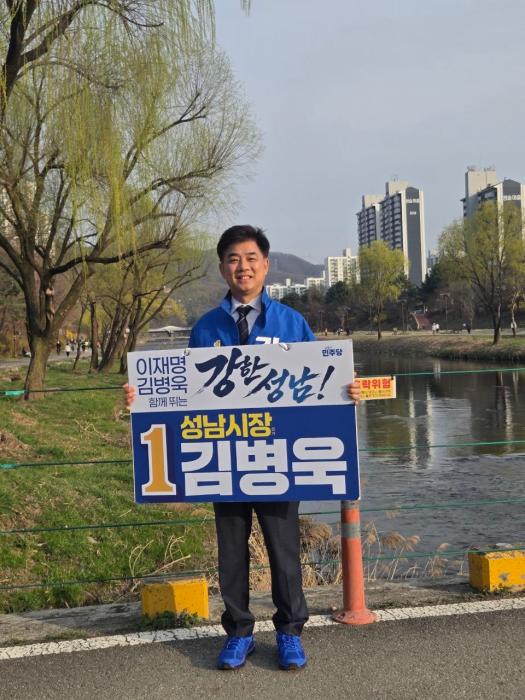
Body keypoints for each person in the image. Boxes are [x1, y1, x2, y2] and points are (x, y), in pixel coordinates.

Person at [124, 225, 360, 671]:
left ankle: (289, 631)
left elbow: (320, 384)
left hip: (279, 458)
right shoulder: (206, 327)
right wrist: (144, 398)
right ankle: (238, 632)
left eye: (251, 258)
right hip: (224, 457)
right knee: (231, 550)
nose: (243, 267)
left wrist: (346, 392)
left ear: (266, 266)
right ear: (222, 268)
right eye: (233, 259)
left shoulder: (292, 323)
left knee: (284, 550)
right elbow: (182, 394)